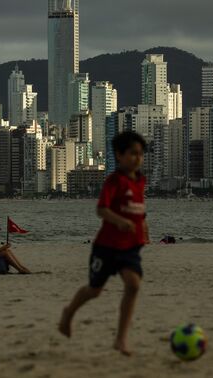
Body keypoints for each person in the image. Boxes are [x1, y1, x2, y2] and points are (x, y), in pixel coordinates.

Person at [58, 131, 149, 356]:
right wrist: (120, 221)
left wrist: (143, 226)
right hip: (107, 246)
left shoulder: (141, 180)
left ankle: (121, 338)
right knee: (94, 290)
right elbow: (101, 209)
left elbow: (138, 208)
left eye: (140, 154)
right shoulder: (114, 180)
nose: (137, 158)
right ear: (119, 155)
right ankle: (68, 312)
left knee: (133, 285)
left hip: (130, 247)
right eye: (132, 154)